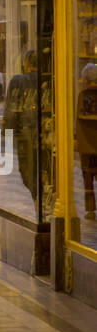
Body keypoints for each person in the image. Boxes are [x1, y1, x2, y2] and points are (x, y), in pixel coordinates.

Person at [2, 49, 39, 206]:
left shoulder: (18, 81)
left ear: (27, 63)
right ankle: (39, 200)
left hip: (25, 134)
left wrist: (7, 130)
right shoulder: (48, 79)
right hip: (43, 133)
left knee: (27, 170)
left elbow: (11, 106)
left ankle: (38, 199)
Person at [76, 64, 97, 220]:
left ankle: (90, 209)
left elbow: (78, 120)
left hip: (86, 144)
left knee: (87, 178)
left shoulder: (82, 95)